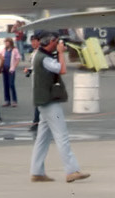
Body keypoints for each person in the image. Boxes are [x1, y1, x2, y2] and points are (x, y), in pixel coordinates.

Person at [30, 30, 88, 183]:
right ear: (50, 42)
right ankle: (71, 170)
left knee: (42, 139)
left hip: (43, 102)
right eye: (56, 42)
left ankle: (37, 172)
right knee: (61, 136)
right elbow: (62, 69)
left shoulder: (40, 55)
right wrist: (61, 53)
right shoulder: (45, 59)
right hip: (49, 103)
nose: (58, 45)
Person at [0, 37, 21, 107]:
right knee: (6, 85)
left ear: (10, 43)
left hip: (11, 69)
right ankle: (7, 100)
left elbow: (18, 58)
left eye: (7, 42)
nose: (6, 43)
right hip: (4, 69)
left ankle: (14, 100)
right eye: (5, 42)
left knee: (11, 84)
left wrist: (14, 66)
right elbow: (0, 57)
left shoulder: (14, 50)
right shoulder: (3, 50)